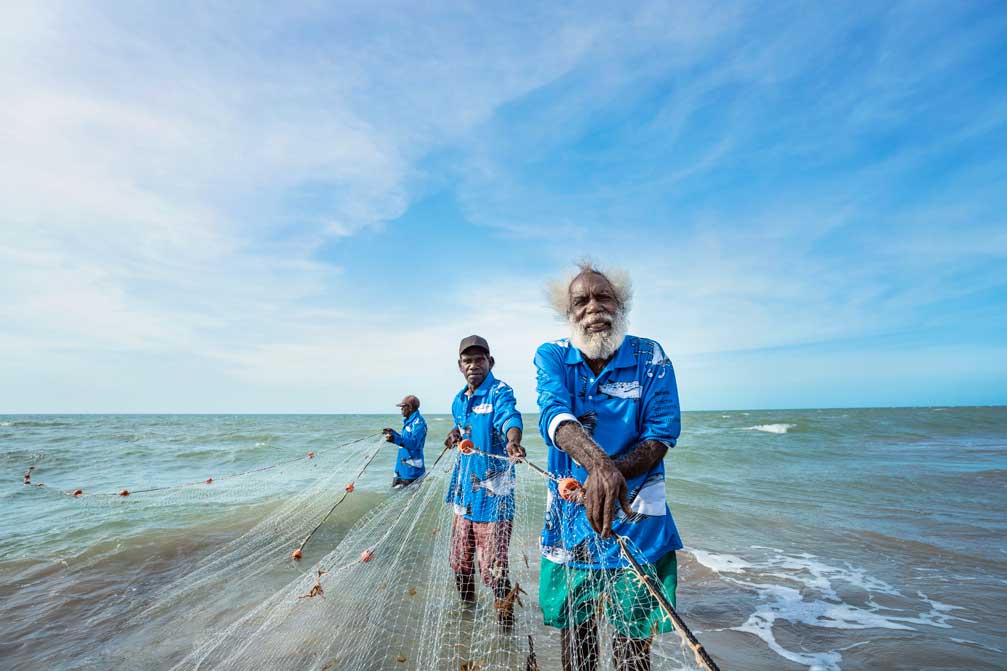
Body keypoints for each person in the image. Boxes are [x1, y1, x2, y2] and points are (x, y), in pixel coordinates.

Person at [535, 263, 683, 671]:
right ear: (568, 314)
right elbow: (554, 416)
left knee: (632, 648)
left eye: (604, 297)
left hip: (639, 527)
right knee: (578, 646)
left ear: (622, 305)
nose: (593, 308)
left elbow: (662, 432)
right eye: (580, 301)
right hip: (572, 523)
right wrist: (601, 467)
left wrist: (609, 474)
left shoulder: (649, 355)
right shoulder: (553, 356)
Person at [444, 335, 525, 625]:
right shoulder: (459, 399)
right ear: (460, 365)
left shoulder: (499, 392)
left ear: (490, 362)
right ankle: (467, 619)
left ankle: (505, 631)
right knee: (461, 564)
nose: (474, 365)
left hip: (493, 501)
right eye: (468, 360)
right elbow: (463, 426)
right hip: (463, 497)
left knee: (495, 571)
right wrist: (456, 434)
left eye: (480, 360)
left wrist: (513, 441)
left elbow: (510, 418)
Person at [382, 394, 427, 488]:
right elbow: (406, 440)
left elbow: (414, 443)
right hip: (401, 470)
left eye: (403, 407)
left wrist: (395, 439)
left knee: (411, 501)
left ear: (410, 408)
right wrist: (393, 434)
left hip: (412, 472)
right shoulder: (410, 421)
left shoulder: (419, 423)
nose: (401, 410)